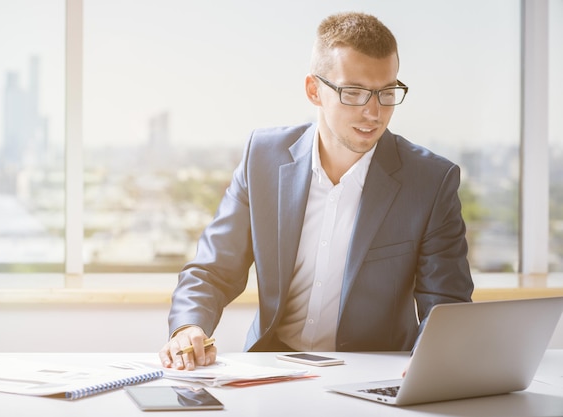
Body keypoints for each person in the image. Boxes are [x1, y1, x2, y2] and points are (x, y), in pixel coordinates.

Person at [158, 11, 473, 371]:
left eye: (386, 93)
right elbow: (213, 270)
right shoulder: (262, 157)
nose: (374, 112)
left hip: (374, 373)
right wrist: (188, 327)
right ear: (314, 90)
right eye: (353, 92)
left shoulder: (431, 180)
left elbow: (446, 303)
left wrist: (429, 363)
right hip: (273, 367)